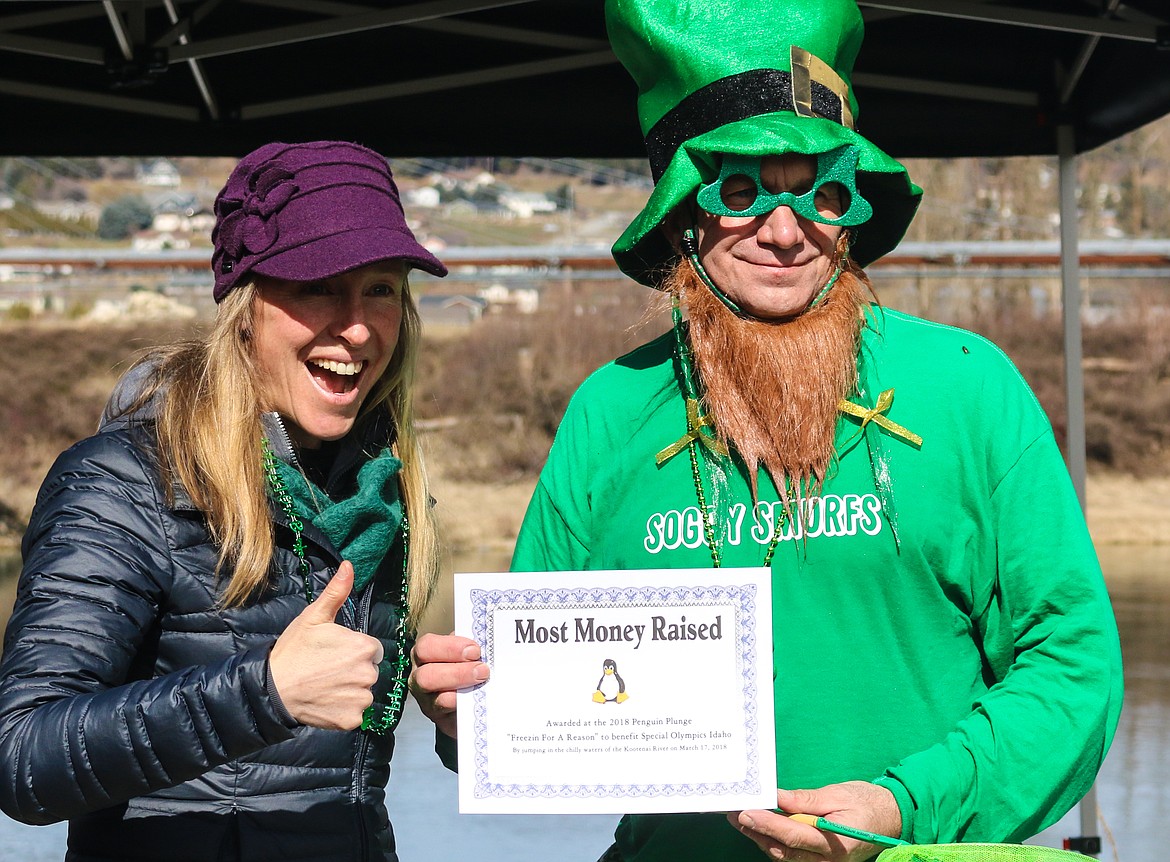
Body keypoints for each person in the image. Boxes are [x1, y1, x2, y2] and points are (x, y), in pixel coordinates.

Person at [411, 2, 1123, 861]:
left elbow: (1073, 670)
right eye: (742, 191)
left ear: (854, 209)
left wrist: (903, 807)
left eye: (821, 191)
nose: (785, 234)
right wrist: (469, 714)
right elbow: (539, 703)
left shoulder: (969, 387)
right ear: (684, 213)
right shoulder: (611, 409)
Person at [0, 140, 453, 862]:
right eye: (316, 287)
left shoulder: (377, 495)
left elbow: (350, 782)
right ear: (244, 307)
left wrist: (462, 724)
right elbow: (22, 760)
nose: (358, 326)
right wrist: (264, 693)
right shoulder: (122, 483)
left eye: (382, 288)